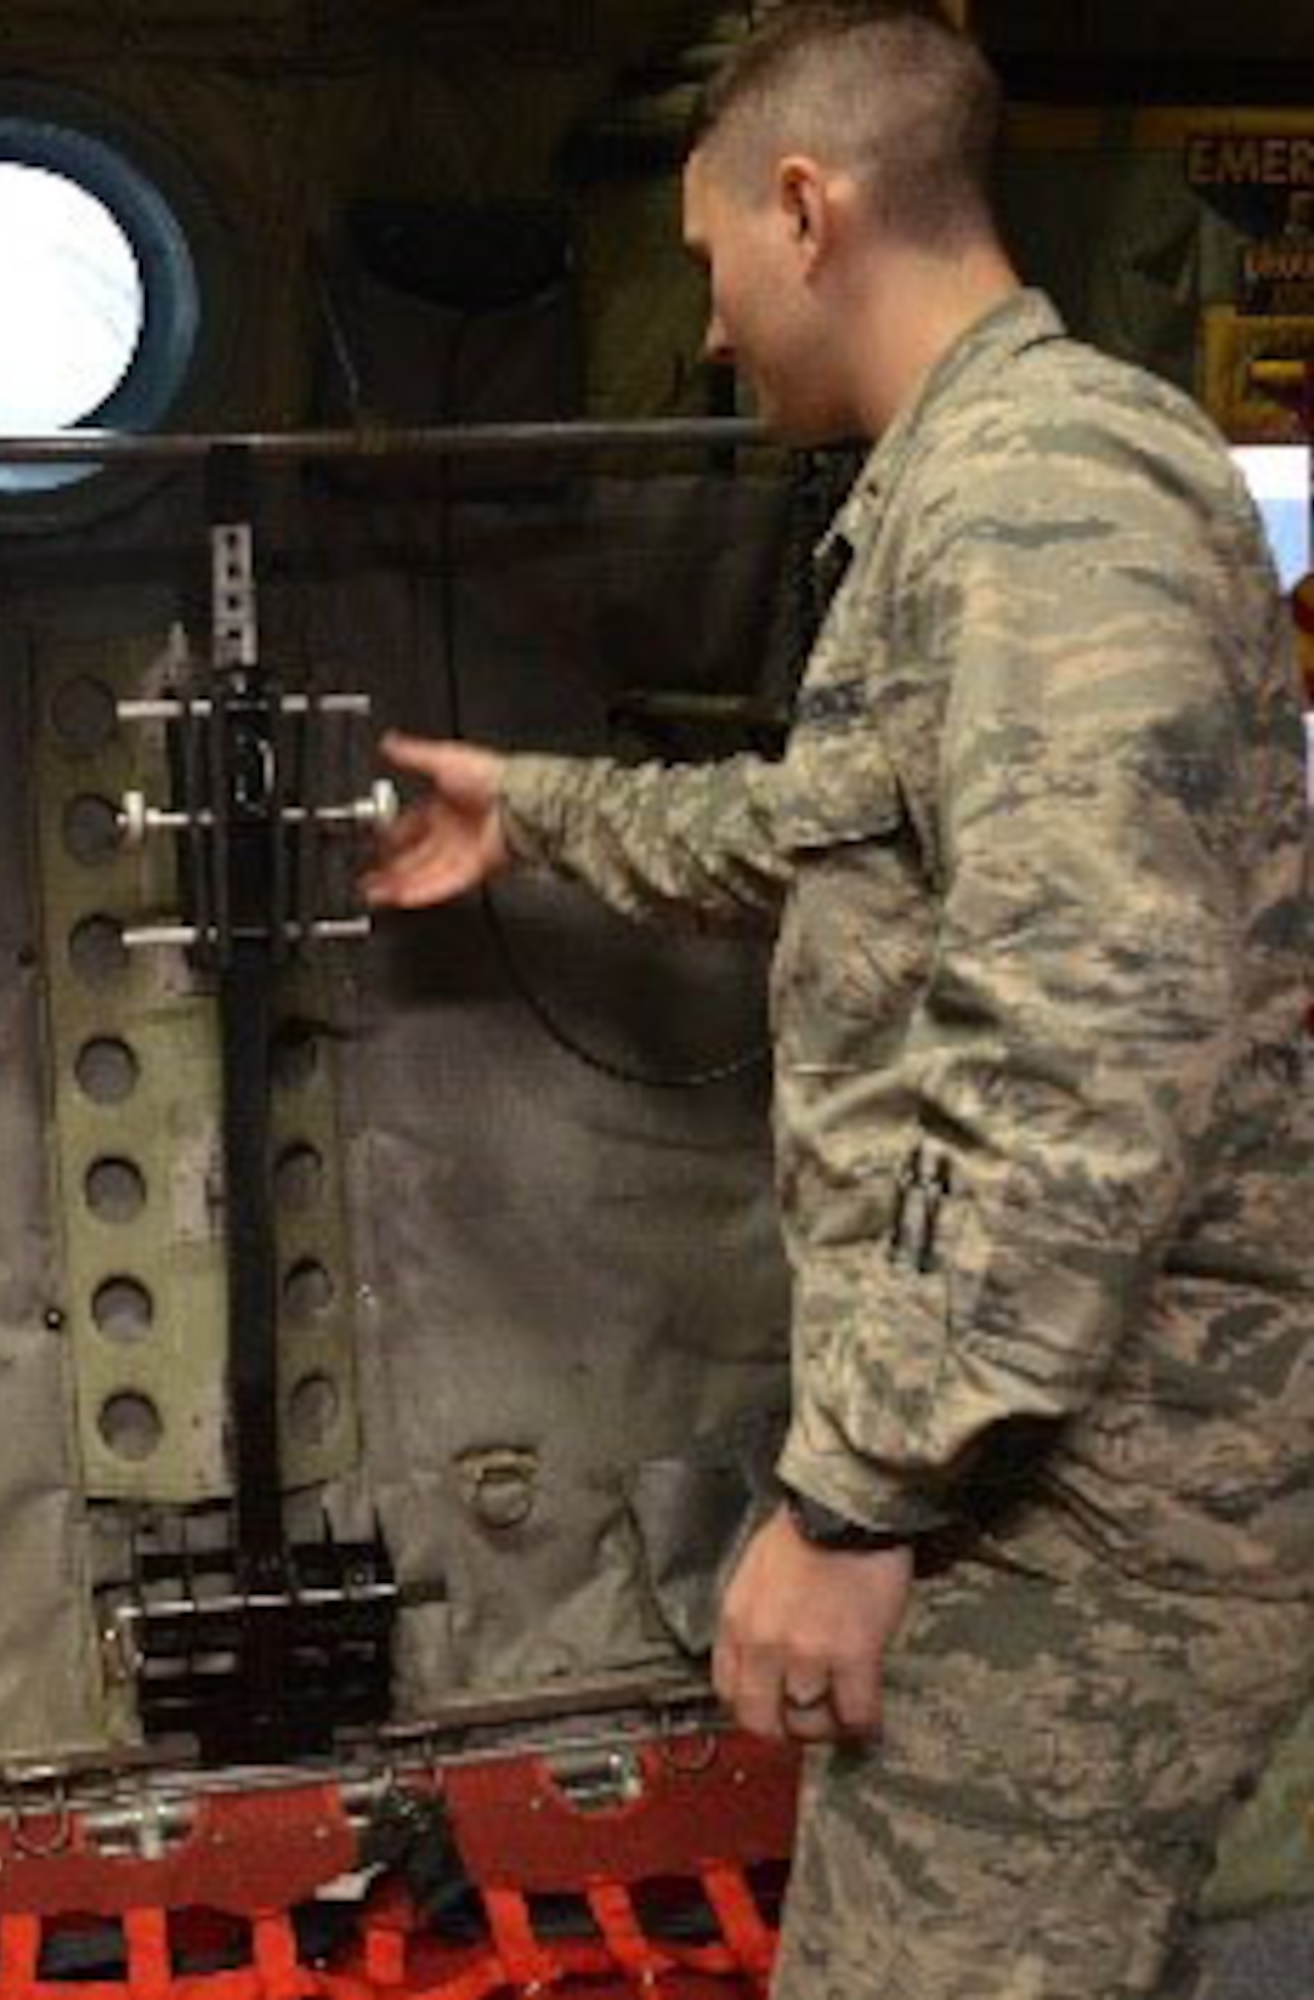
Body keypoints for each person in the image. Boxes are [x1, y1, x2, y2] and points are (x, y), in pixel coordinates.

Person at [362, 4, 1314, 1995]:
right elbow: (824, 833)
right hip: (1048, 1476)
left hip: (1086, 1515)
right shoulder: (978, 497)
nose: (706, 332)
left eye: (706, 263)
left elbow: (1081, 1041)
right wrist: (526, 814)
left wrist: (851, 1494)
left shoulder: (1047, 505)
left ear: (806, 210)